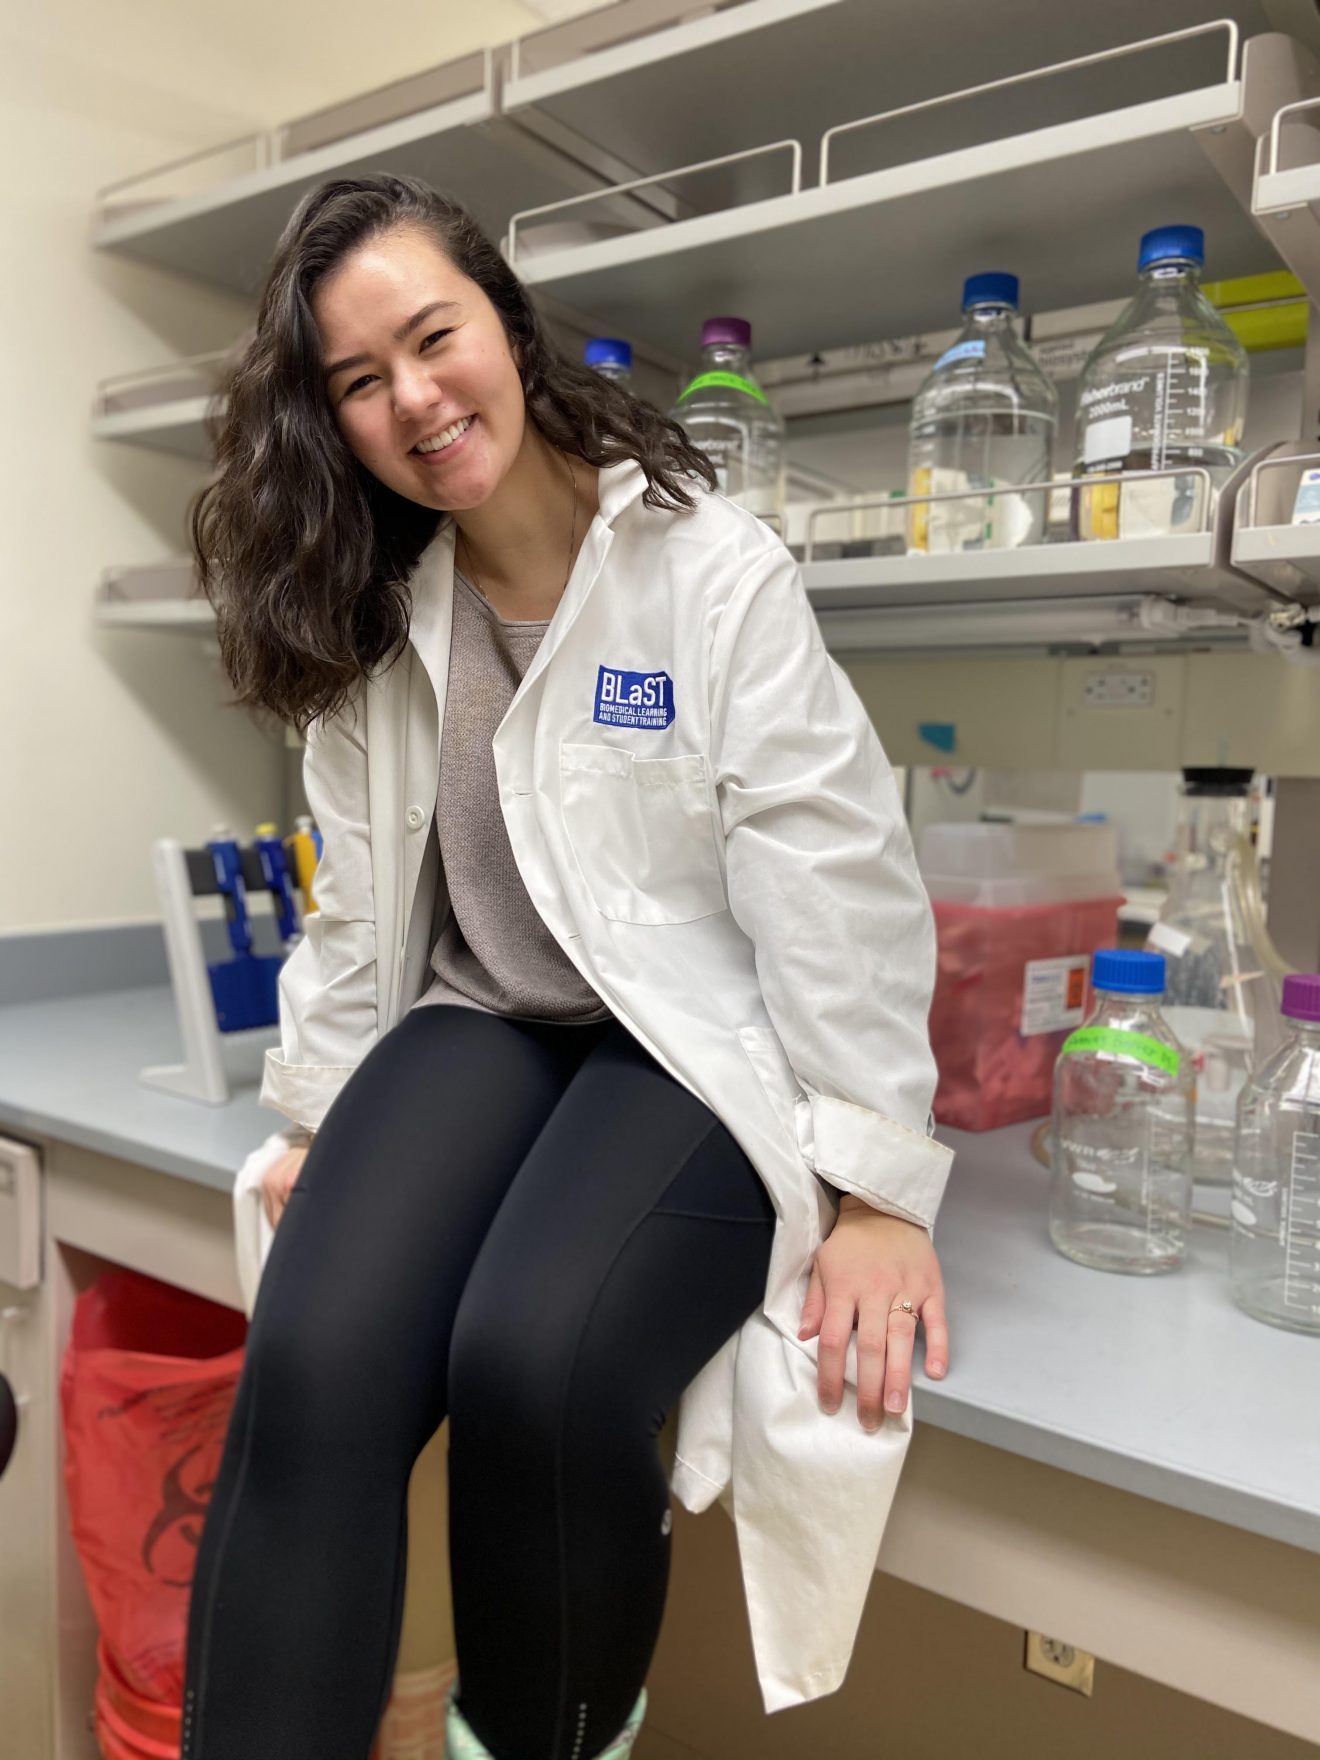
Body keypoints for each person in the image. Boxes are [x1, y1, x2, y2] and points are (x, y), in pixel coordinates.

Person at [182, 172, 954, 1760]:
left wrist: (879, 1192)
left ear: (507, 333)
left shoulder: (706, 572)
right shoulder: (375, 608)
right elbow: (358, 897)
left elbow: (838, 878)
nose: (412, 397)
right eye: (356, 380)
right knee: (318, 1356)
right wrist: (323, 1113)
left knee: (536, 1356)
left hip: (685, 1039)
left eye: (430, 336)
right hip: (490, 1021)